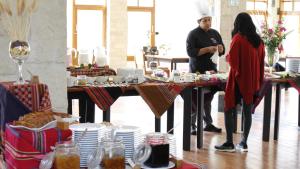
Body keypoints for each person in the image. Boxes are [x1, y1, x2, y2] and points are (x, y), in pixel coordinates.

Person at [215, 12, 265, 152]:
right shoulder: (259, 41)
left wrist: (227, 57)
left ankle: (229, 142)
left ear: (238, 24)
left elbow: (233, 61)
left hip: (238, 79)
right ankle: (244, 142)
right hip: (252, 81)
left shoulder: (238, 38)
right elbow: (261, 62)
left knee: (229, 109)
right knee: (247, 111)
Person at [186, 12, 225, 134]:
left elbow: (222, 50)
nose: (208, 23)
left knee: (208, 98)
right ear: (199, 22)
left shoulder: (215, 33)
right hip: (197, 71)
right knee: (194, 99)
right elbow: (191, 52)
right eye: (205, 20)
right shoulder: (193, 34)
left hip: (211, 71)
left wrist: (221, 49)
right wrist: (207, 49)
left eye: (209, 20)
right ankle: (192, 125)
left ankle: (208, 123)